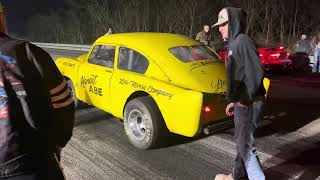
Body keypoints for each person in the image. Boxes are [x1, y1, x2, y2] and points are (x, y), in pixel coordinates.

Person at [0, 3, 75, 180]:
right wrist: (57, 143)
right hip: (36, 165)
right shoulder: (31, 53)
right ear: (2, 18)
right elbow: (64, 104)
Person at [212, 7, 266, 180]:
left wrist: (244, 99)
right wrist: (233, 101)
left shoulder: (242, 41)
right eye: (218, 25)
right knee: (241, 141)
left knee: (245, 145)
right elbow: (241, 75)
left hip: (250, 102)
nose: (219, 28)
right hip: (243, 101)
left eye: (223, 24)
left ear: (233, 22)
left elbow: (256, 72)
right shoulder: (233, 44)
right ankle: (236, 176)